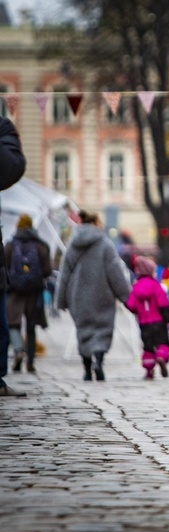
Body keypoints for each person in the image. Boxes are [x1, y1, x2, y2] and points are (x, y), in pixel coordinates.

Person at [56, 210, 132, 381]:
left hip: (77, 297)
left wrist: (60, 300)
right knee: (102, 330)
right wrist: (126, 297)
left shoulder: (72, 244)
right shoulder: (105, 245)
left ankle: (86, 368)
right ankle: (98, 360)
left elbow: (64, 273)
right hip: (102, 294)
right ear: (96, 223)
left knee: (83, 331)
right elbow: (115, 273)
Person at [0, 115, 28, 396]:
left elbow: (12, 168)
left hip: (14, 289)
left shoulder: (2, 127)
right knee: (17, 324)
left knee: (8, 324)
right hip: (27, 291)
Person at [5, 213, 53, 373]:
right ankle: (30, 362)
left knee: (13, 324)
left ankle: (18, 350)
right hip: (34, 291)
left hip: (14, 291)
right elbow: (47, 270)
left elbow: (3, 266)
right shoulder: (40, 245)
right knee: (31, 328)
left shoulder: (11, 245)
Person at [126, 256, 169, 379]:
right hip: (158, 322)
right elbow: (163, 303)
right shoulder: (155, 285)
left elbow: (130, 305)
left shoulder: (135, 287)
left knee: (148, 347)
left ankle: (149, 372)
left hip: (144, 324)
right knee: (163, 343)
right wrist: (168, 319)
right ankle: (161, 357)